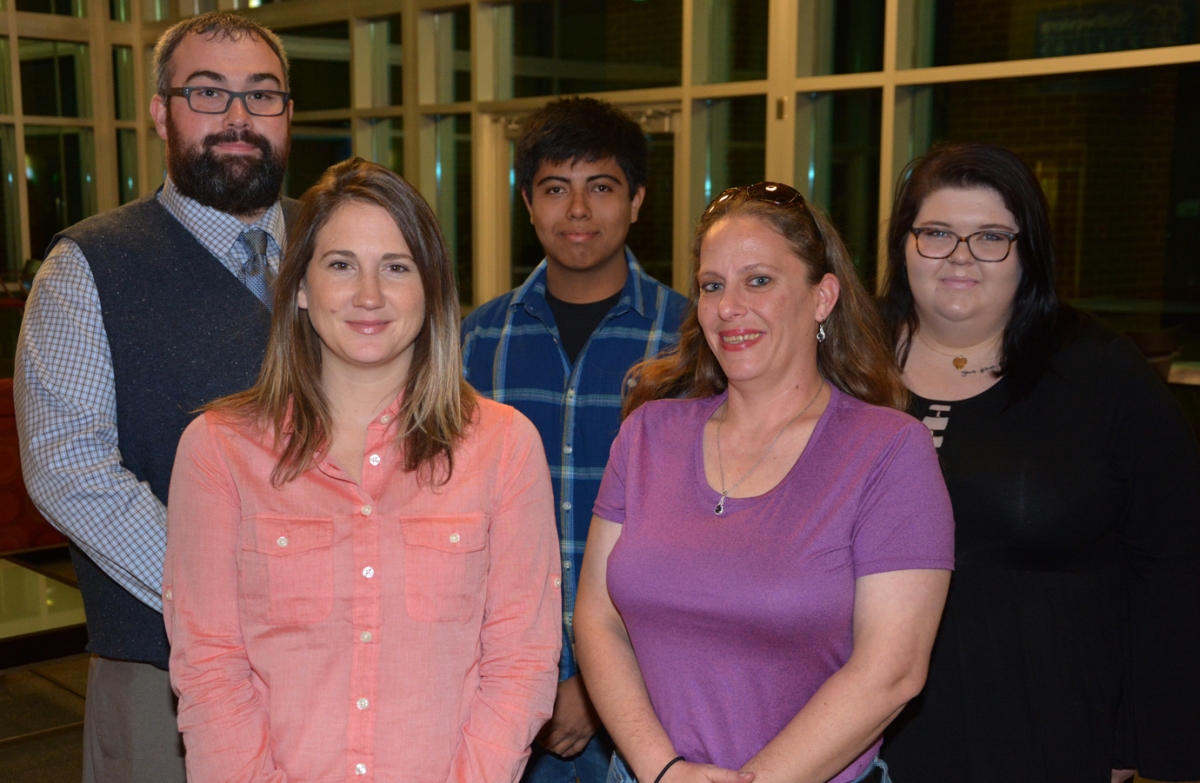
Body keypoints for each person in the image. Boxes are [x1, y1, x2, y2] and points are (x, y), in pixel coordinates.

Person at [162, 158, 562, 782]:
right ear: (298, 286)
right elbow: (210, 668)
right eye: (341, 264)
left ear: (430, 291)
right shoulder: (218, 451)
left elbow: (521, 663)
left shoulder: (504, 447)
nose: (368, 295)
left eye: (396, 268)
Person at [574, 182, 956, 783]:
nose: (728, 307)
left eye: (758, 280)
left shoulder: (888, 450)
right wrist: (662, 769)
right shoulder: (649, 434)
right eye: (712, 285)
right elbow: (597, 619)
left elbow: (894, 669)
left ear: (822, 296)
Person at [14, 12, 294, 782]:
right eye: (208, 92)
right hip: (161, 673)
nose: (238, 117)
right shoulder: (88, 266)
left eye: (261, 95)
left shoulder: (340, 249)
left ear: (289, 114)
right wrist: (241, 590)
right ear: (160, 112)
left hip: (343, 665)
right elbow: (70, 468)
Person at [877, 142, 1200, 783]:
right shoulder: (845, 365)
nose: (961, 257)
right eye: (937, 233)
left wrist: (1133, 741)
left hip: (1046, 720)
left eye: (992, 236)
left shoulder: (1100, 374)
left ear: (1029, 253)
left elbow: (1172, 564)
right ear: (904, 245)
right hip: (863, 721)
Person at [461, 96, 688, 783]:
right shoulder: (476, 342)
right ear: (528, 204)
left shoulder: (692, 342)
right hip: (495, 686)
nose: (578, 211)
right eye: (556, 189)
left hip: (650, 691)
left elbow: (695, 530)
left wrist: (594, 679)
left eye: (602, 187)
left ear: (638, 199)